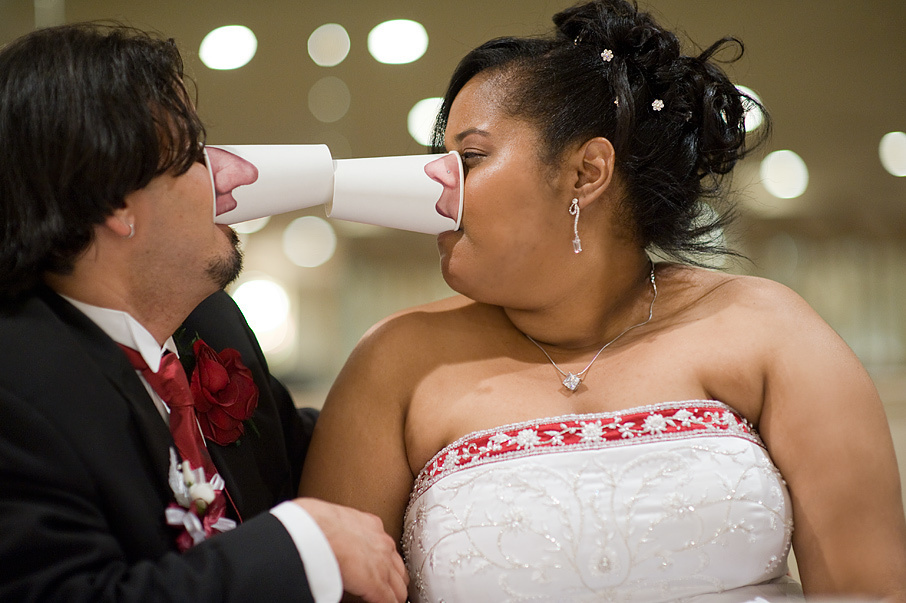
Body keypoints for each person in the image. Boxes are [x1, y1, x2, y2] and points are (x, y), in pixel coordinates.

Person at [298, 1, 906, 601]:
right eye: (440, 161)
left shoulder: (768, 330)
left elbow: (867, 590)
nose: (435, 188)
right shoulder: (395, 363)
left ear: (588, 172)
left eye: (470, 157)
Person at [0, 23, 407, 602]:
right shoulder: (15, 385)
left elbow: (322, 455)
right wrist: (303, 547)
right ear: (116, 201)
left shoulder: (210, 326)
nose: (229, 176)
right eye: (194, 155)